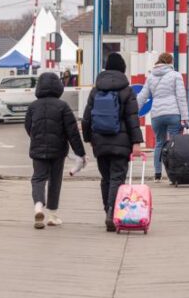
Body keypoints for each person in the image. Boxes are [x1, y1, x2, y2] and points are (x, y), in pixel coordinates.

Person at [82, 53, 143, 232]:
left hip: (99, 141)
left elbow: (86, 118)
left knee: (106, 179)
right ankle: (112, 211)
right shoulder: (127, 90)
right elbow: (132, 118)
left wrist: (89, 138)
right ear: (123, 69)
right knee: (117, 178)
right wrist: (136, 142)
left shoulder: (96, 90)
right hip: (121, 142)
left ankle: (108, 211)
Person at [25, 72, 86, 229]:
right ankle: (52, 215)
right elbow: (72, 132)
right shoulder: (63, 106)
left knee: (38, 178)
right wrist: (80, 153)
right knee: (55, 180)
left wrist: (35, 138)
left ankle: (38, 206)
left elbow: (28, 126)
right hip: (58, 150)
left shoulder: (33, 106)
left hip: (38, 148)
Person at [136, 52, 189, 182]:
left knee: (159, 143)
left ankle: (157, 174)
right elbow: (181, 97)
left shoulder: (151, 77)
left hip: (157, 115)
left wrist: (133, 112)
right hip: (173, 113)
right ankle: (173, 174)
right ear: (170, 62)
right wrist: (185, 117)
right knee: (173, 144)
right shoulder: (176, 75)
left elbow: (142, 96)